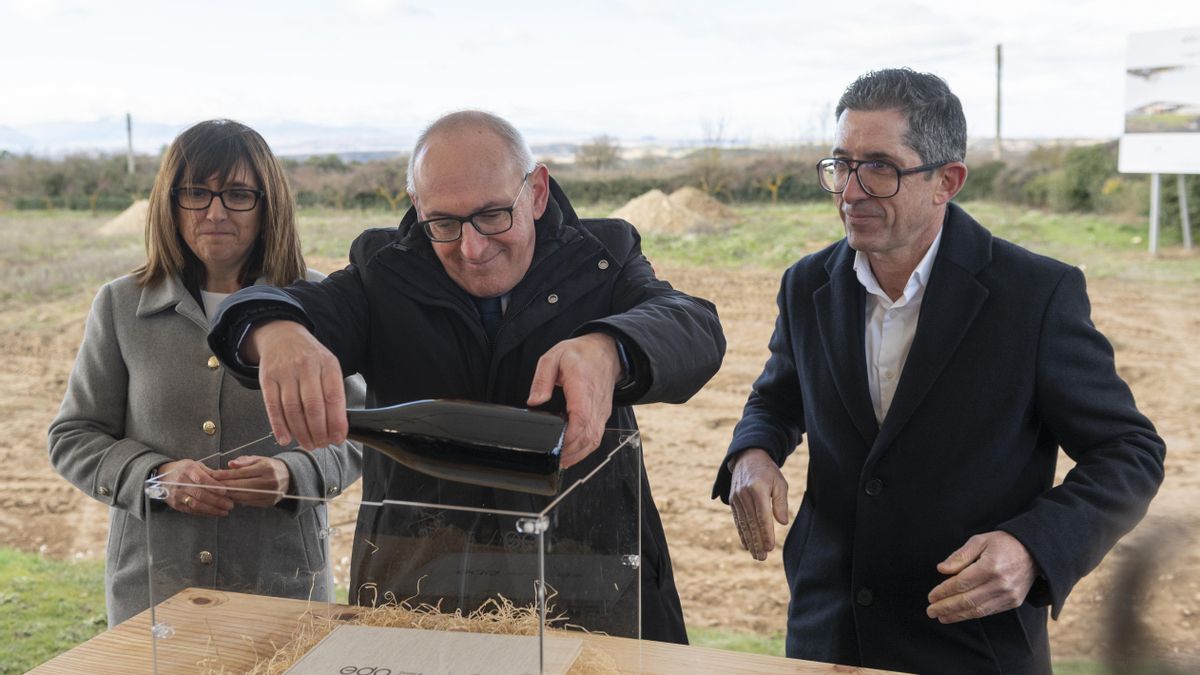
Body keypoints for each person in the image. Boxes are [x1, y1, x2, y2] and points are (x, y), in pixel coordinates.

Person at [206, 110, 726, 643]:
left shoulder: (603, 258)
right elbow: (254, 307)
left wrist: (611, 347)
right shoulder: (383, 272)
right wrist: (274, 330)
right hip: (423, 596)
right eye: (444, 224)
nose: (472, 248)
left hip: (592, 590)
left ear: (538, 192)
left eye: (494, 215)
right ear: (417, 208)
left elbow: (696, 327)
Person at [712, 69, 1165, 674]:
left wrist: (1035, 547)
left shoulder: (1034, 296)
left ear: (946, 181)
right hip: (827, 635)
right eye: (841, 165)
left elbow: (1130, 451)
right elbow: (776, 401)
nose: (849, 192)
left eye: (879, 167)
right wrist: (753, 453)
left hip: (972, 644)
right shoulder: (806, 284)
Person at [48, 119, 364, 627]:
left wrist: (291, 476)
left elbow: (358, 434)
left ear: (268, 205)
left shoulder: (317, 304)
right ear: (169, 203)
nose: (215, 212)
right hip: (153, 599)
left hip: (283, 591)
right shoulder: (120, 305)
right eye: (196, 192)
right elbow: (73, 436)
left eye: (238, 194)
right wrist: (154, 477)